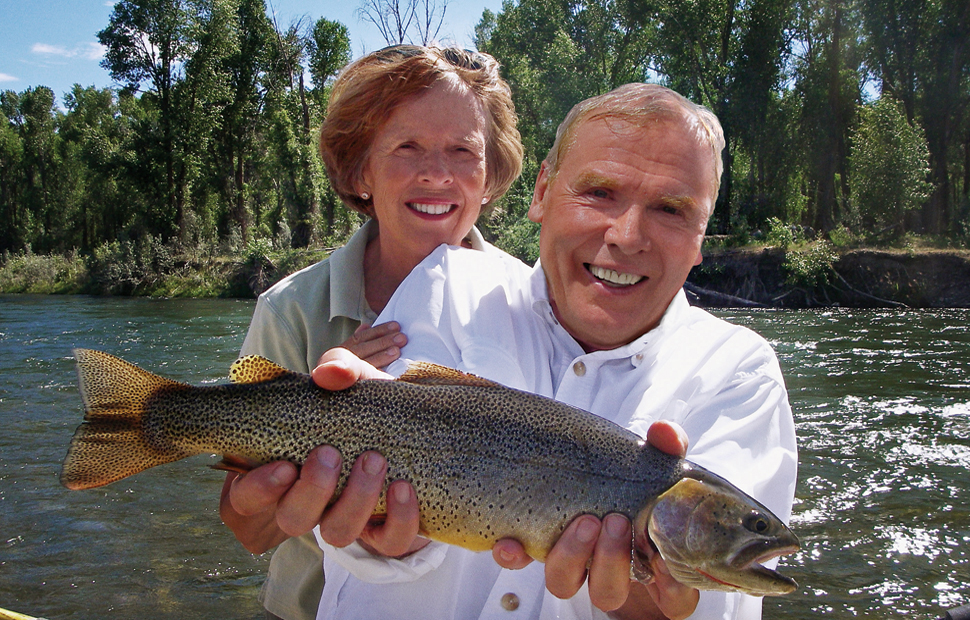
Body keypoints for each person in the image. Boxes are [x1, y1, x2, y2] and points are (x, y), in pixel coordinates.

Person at [300, 83, 798, 620]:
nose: (627, 236)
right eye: (600, 193)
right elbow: (374, 500)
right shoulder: (450, 285)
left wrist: (648, 606)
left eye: (672, 209)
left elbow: (708, 602)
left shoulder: (740, 373)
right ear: (542, 192)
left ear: (701, 237)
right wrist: (379, 536)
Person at [219, 44, 523, 620]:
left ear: (490, 175)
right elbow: (250, 531)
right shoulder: (291, 310)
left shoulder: (533, 305)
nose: (437, 172)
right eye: (407, 147)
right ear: (360, 170)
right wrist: (312, 410)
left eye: (464, 151)